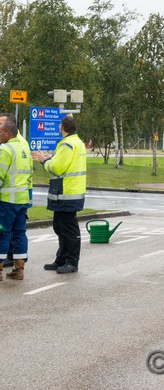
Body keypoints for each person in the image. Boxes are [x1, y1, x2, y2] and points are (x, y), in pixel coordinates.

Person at [32, 115, 87, 274]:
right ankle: (61, 259)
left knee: (68, 230)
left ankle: (71, 262)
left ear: (63, 127)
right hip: (71, 191)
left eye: (59, 125)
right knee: (60, 226)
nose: (58, 128)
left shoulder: (67, 144)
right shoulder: (76, 142)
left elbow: (56, 168)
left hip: (66, 192)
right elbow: (65, 164)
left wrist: (44, 161)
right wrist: (51, 159)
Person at [0, 121, 33, 280]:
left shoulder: (5, 149)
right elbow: (29, 175)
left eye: (0, 132)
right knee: (20, 233)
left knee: (2, 233)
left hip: (6, 201)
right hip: (22, 199)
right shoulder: (25, 147)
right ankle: (19, 269)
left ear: (7, 133)